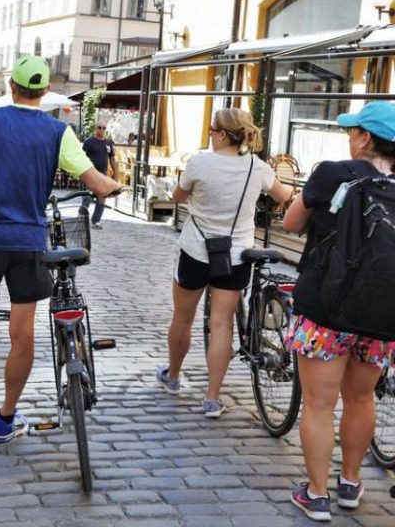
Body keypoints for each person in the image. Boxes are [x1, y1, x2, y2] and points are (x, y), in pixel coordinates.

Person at [0, 55, 122, 444]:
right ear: (44, 91)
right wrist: (113, 187)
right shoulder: (57, 132)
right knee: (21, 334)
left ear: (12, 86)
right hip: (29, 240)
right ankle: (6, 418)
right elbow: (95, 182)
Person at [282, 101, 395, 522]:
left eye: (353, 131)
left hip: (325, 311)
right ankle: (350, 483)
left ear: (365, 138)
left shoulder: (333, 173)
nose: (348, 138)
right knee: (361, 396)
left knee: (319, 403)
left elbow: (292, 224)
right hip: (384, 312)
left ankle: (315, 493)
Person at [156, 108, 292, 419]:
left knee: (183, 318)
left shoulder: (200, 161)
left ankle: (173, 376)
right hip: (235, 255)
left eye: (211, 128)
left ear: (220, 133)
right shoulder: (257, 167)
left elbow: (178, 196)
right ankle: (212, 398)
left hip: (195, 251)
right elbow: (283, 194)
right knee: (221, 325)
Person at [82, 122, 119, 229]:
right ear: (95, 128)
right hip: (90, 173)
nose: (102, 130)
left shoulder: (108, 143)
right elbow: (81, 156)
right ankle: (81, 215)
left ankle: (96, 220)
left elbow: (112, 159)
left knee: (102, 197)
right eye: (99, 127)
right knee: (87, 197)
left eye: (104, 128)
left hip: (103, 174)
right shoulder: (89, 142)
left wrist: (116, 176)